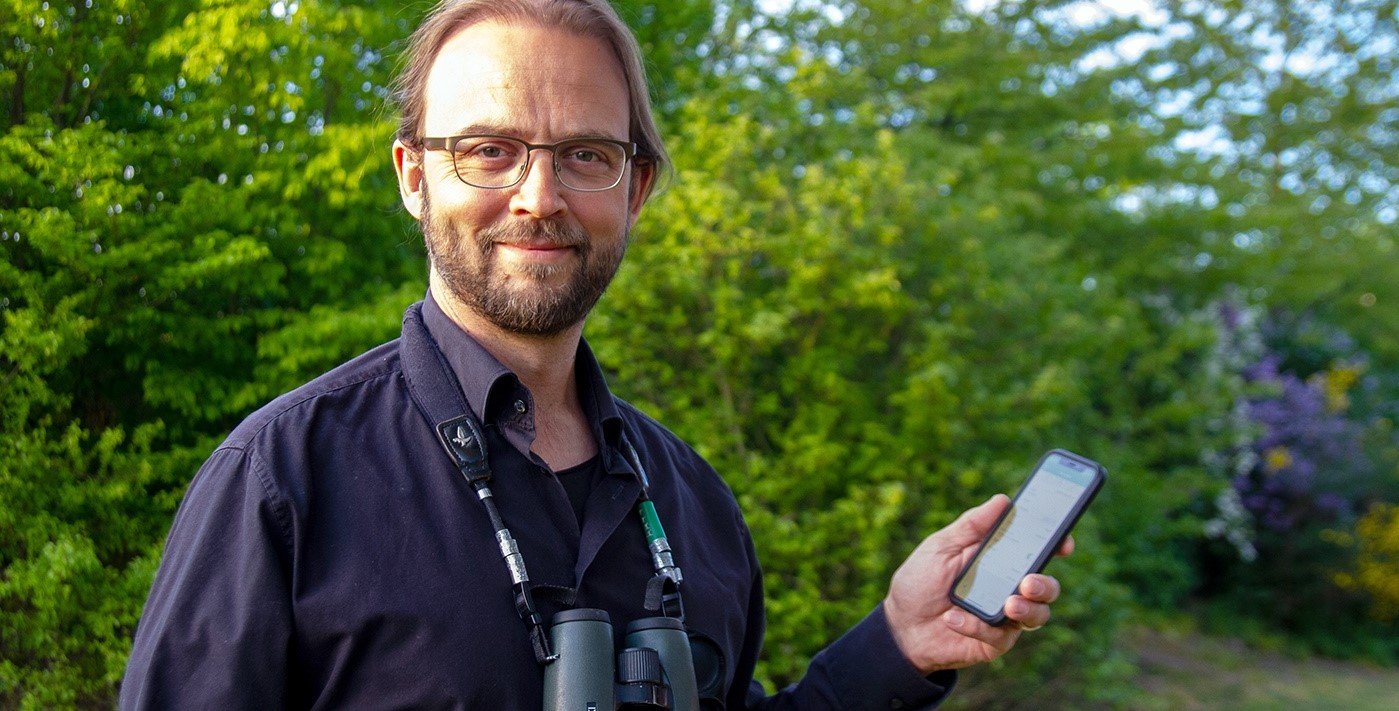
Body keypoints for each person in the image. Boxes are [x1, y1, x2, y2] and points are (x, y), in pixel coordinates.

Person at [120, 1, 1068, 708]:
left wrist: (899, 644)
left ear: (637, 188)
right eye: (487, 150)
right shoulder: (281, 480)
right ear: (414, 177)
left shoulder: (692, 502)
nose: (539, 195)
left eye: (585, 154)